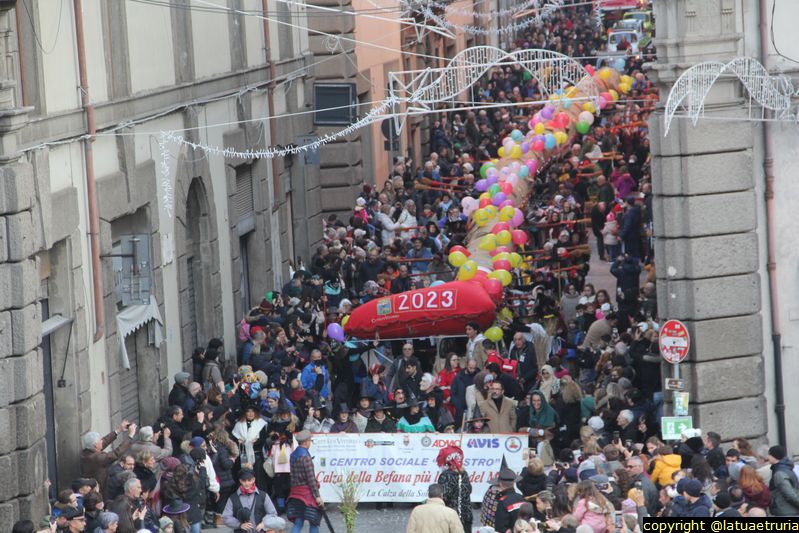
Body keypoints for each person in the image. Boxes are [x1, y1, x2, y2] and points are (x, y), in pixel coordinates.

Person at [80, 421, 137, 490]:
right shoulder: (97, 458)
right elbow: (116, 454)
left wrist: (119, 430)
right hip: (101, 489)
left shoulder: (87, 451)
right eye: (100, 440)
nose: (102, 441)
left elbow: (104, 441)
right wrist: (130, 436)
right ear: (95, 445)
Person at [287, 430, 323, 533]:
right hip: (306, 494)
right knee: (314, 522)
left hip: (295, 493)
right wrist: (317, 496)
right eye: (310, 441)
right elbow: (311, 479)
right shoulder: (306, 457)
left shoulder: (293, 455)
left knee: (298, 522)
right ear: (306, 442)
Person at [436, 446, 472, 532]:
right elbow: (468, 490)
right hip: (465, 515)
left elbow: (444, 496)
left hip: (451, 516)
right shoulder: (464, 473)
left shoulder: (445, 475)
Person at [767, 445, 799, 516]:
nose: (767, 457)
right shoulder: (785, 468)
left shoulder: (779, 473)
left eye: (769, 454)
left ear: (774, 456)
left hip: (786, 512)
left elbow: (789, 494)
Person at [494, 468, 525, 533]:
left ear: (500, 484)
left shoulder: (502, 502)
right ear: (513, 483)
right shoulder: (521, 498)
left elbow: (500, 527)